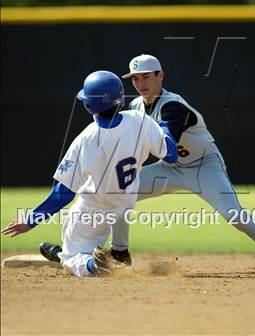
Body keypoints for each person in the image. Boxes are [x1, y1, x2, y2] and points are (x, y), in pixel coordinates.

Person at [30, 54, 255, 274]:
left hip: (202, 166)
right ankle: (120, 254)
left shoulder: (173, 106)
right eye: (135, 78)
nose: (141, 83)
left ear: (161, 75)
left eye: (147, 76)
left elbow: (167, 148)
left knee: (234, 215)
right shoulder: (135, 106)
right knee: (118, 192)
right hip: (168, 170)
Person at [1, 70, 178, 277]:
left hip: (94, 208)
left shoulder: (85, 139)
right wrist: (163, 126)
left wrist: (31, 220)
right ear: (119, 99)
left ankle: (93, 265)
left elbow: (64, 193)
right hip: (124, 202)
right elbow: (171, 155)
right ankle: (75, 254)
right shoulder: (140, 120)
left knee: (70, 261)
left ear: (88, 105)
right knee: (74, 241)